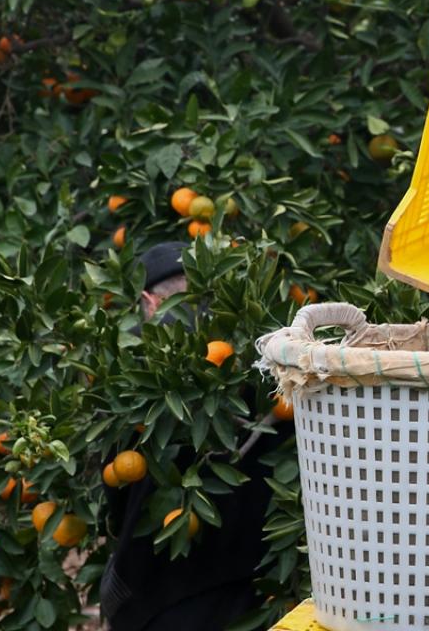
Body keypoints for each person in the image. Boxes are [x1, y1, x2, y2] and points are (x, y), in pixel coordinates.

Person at [100, 241, 292, 631]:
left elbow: (117, 490)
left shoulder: (138, 377)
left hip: (160, 595)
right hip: (257, 586)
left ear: (150, 302)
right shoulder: (271, 362)